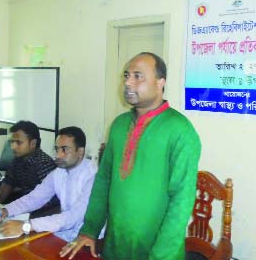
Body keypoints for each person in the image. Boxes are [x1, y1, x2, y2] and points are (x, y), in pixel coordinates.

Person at [60, 52, 201, 260]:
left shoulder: (180, 130)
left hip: (157, 250)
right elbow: (104, 181)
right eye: (126, 75)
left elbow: (182, 201)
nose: (128, 82)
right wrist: (89, 230)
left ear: (160, 82)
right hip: (115, 246)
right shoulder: (119, 125)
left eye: (138, 76)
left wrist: (162, 256)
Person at [0, 126, 97, 242]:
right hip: (65, 233)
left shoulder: (93, 176)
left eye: (64, 149)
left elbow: (74, 217)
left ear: (80, 151)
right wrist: (6, 211)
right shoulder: (59, 172)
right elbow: (35, 198)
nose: (58, 155)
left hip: (88, 239)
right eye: (57, 149)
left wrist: (27, 226)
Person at [0, 120, 59, 216]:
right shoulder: (17, 159)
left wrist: (22, 214)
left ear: (33, 143)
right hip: (26, 204)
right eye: (12, 142)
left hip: (45, 209)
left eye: (18, 142)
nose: (13, 147)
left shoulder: (43, 163)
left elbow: (49, 199)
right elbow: (8, 182)